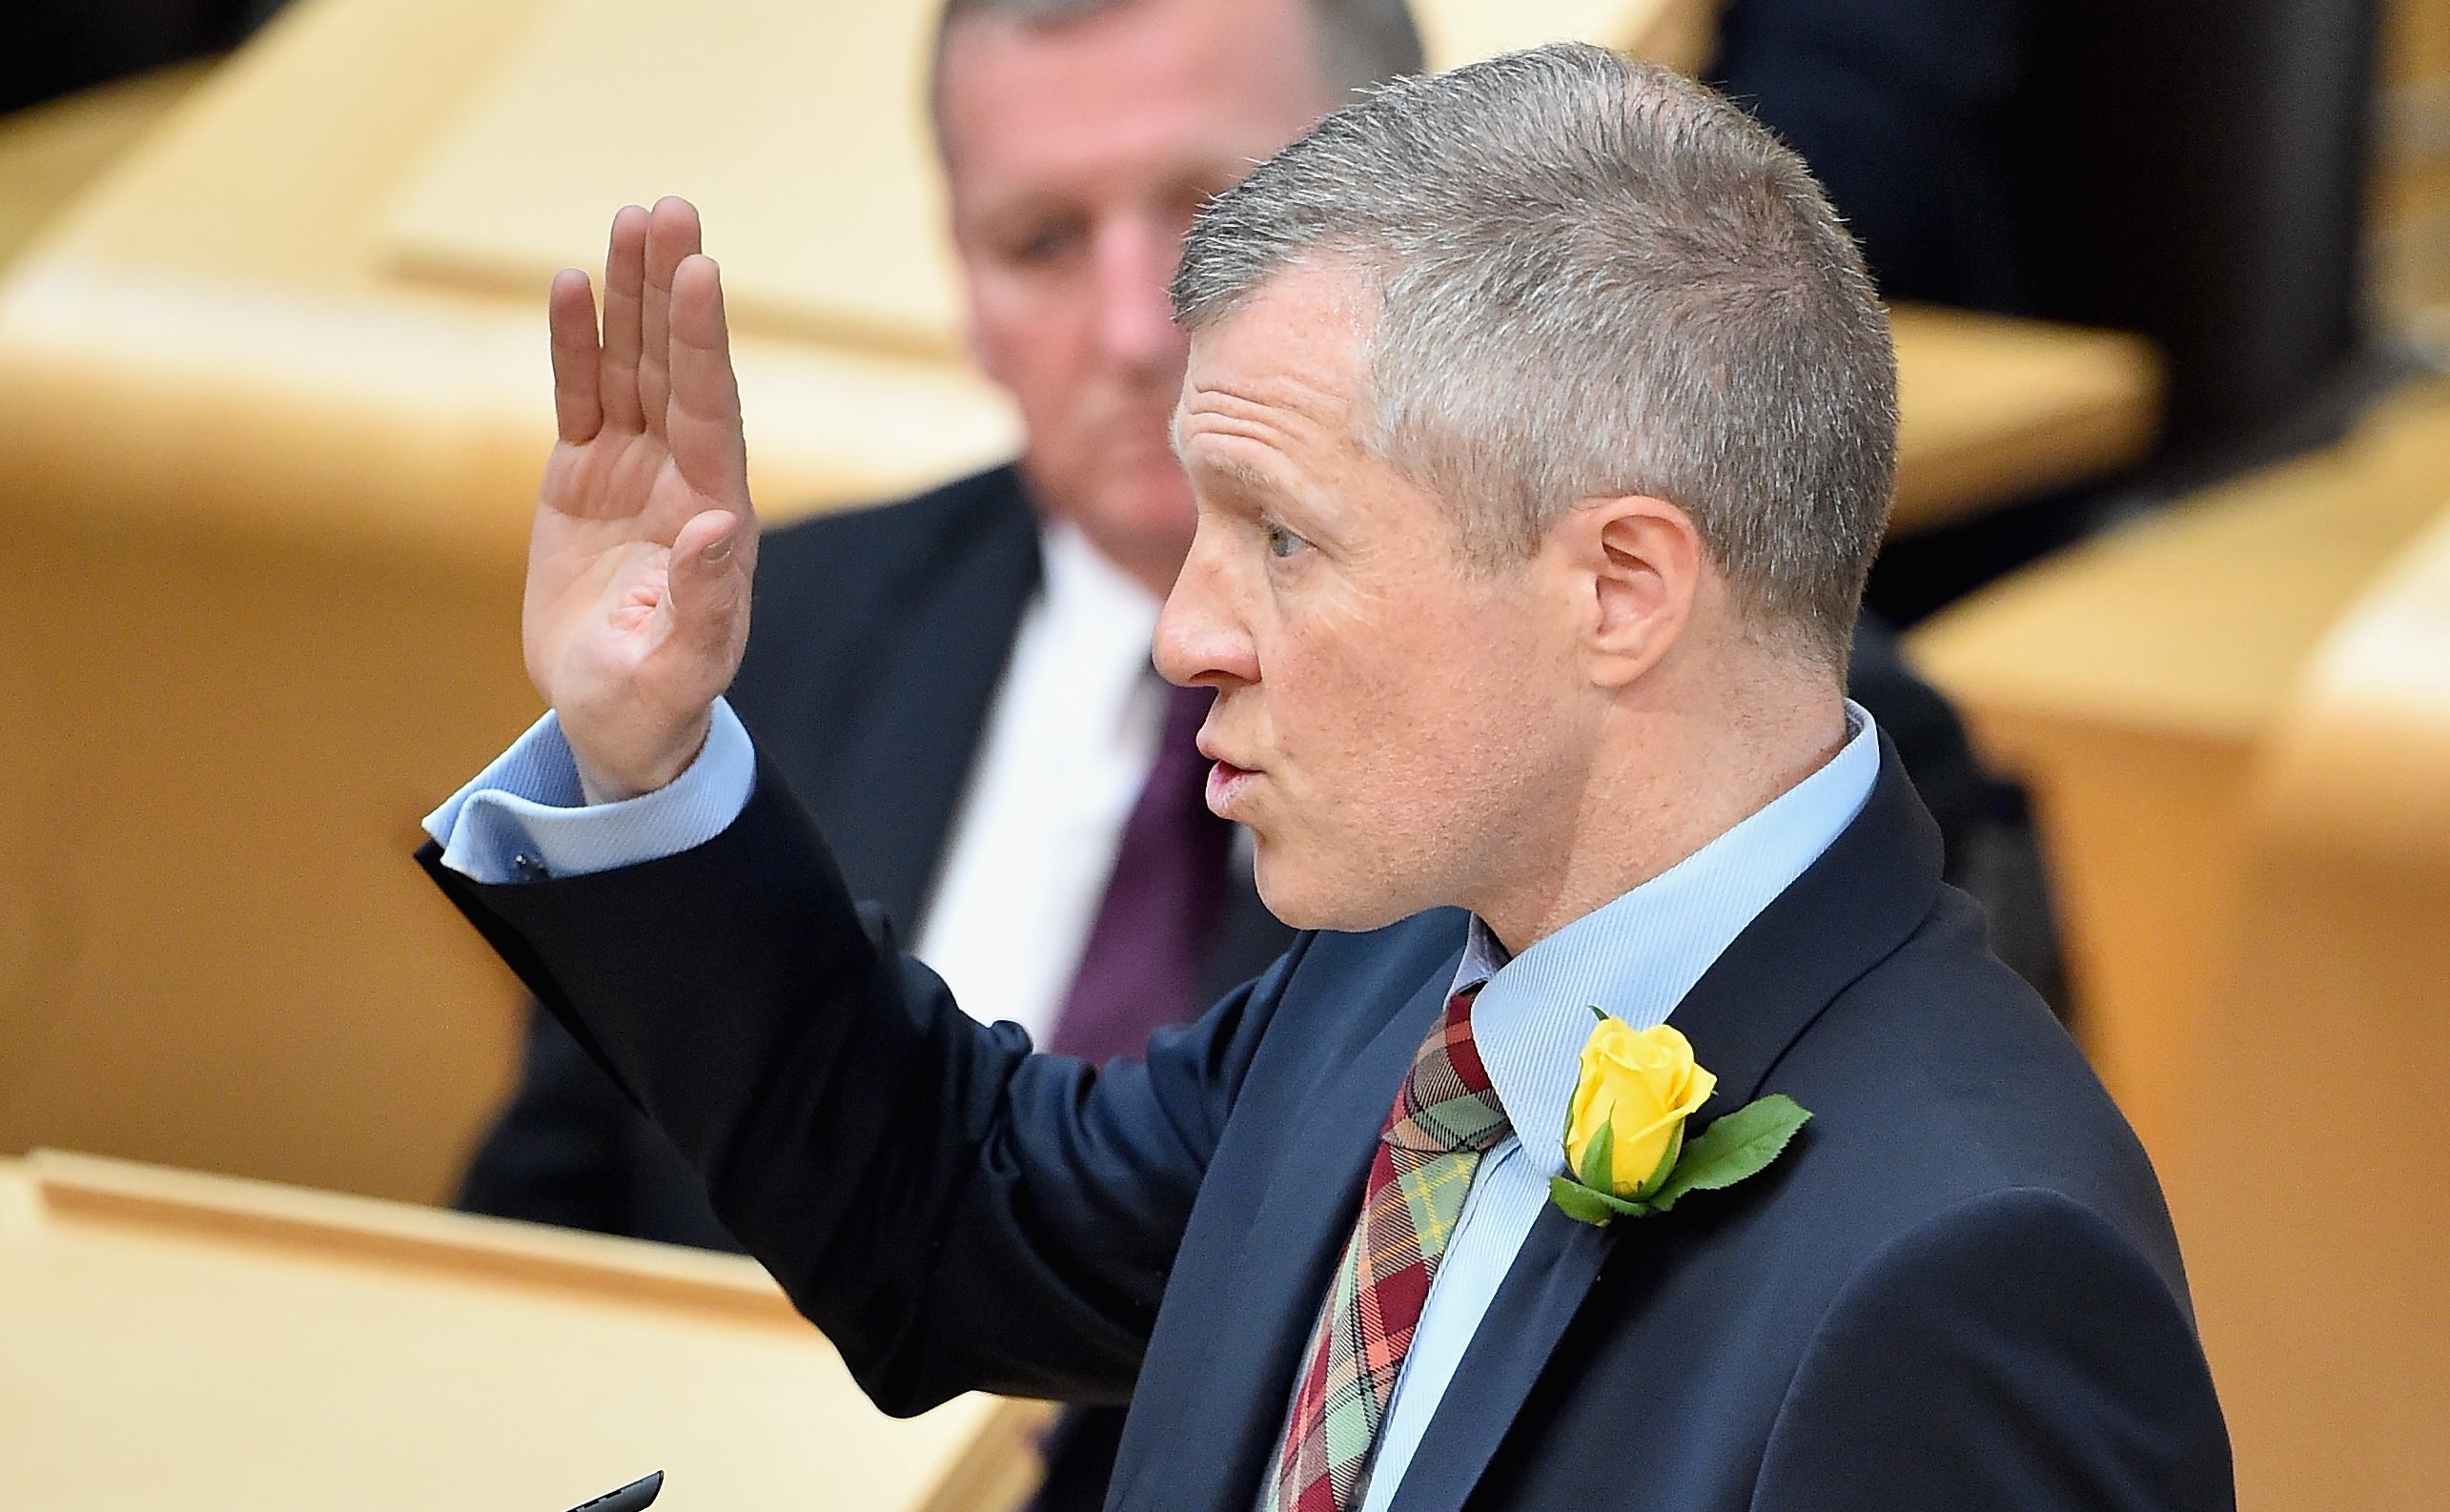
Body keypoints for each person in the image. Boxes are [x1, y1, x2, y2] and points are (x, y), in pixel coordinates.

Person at [423, 43, 2228, 1511]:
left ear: (1618, 587)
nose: (1183, 632)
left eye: (1281, 538)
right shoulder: (1403, 973)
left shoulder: (1970, 1279)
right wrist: (645, 745)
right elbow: (953, 1215)